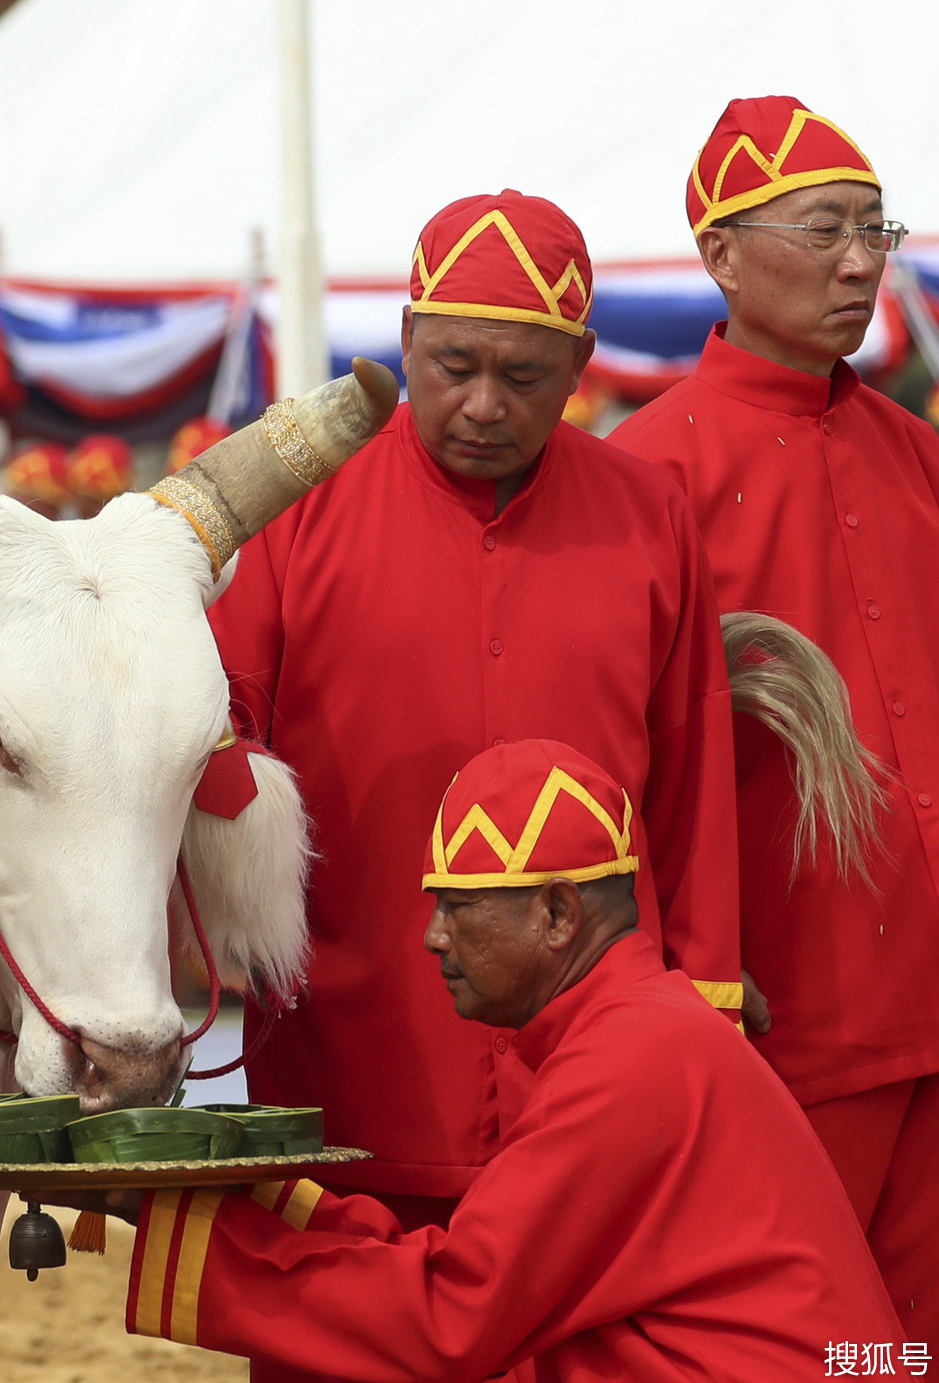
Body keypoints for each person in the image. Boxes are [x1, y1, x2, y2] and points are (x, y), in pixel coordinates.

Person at [208, 190, 744, 1227]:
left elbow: (691, 778)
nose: (486, 406)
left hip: (593, 1073)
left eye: (526, 375)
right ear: (407, 340)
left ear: (583, 365)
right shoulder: (300, 509)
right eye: (455, 368)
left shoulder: (648, 515)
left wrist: (708, 995)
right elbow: (218, 744)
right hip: (350, 1055)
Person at [80, 741, 898, 1381]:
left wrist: (165, 1220)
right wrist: (217, 1194)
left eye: (460, 908)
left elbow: (453, 1313)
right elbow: (465, 1269)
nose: (435, 936)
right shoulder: (638, 1026)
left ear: (557, 913)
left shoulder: (628, 1059)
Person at [609, 95, 939, 1332]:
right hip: (779, 1008)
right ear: (719, 256)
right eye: (824, 231)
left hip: (932, 991)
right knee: (792, 1338)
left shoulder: (920, 456)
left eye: (876, 230)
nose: (861, 263)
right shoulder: (645, 478)